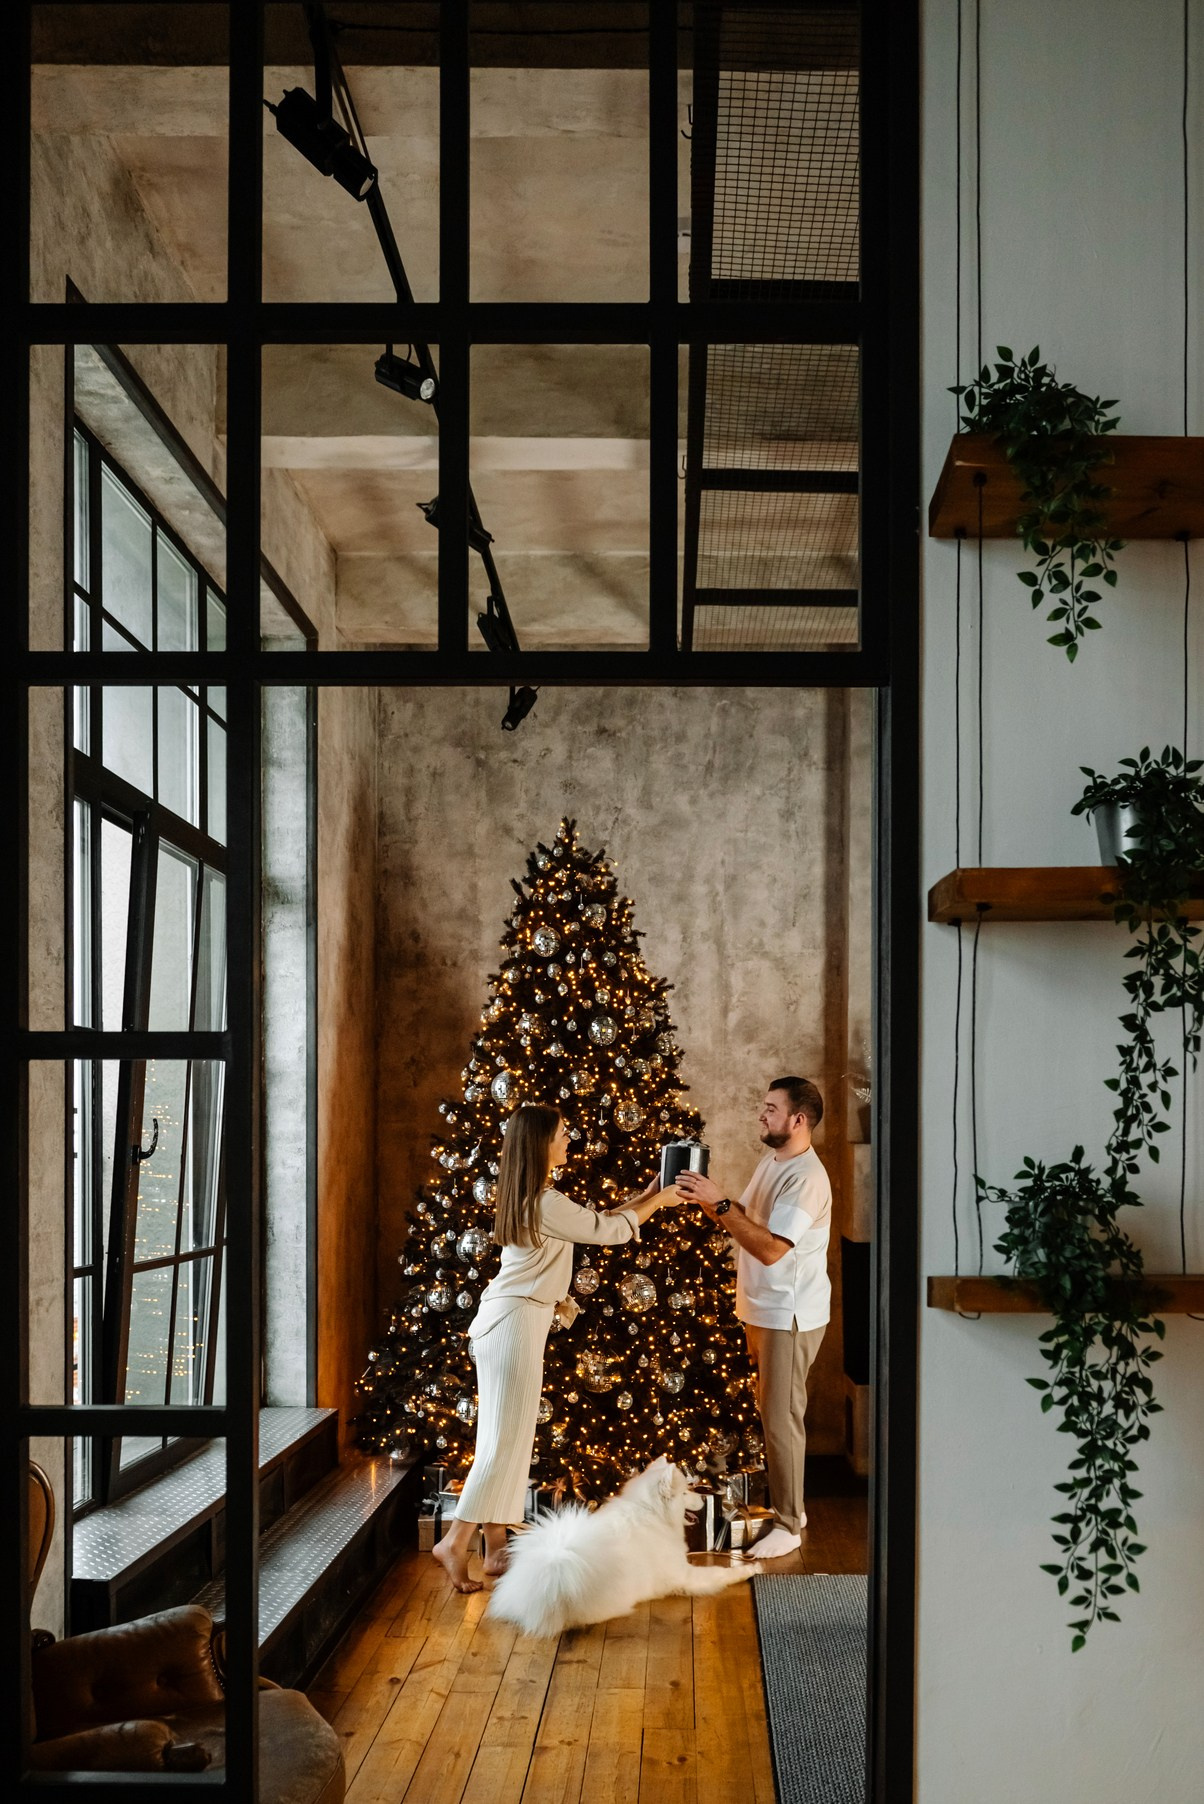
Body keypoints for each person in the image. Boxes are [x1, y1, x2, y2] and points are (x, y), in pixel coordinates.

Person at [432, 1102, 675, 1592]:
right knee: (503, 1441)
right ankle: (455, 1541)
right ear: (541, 1144)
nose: (570, 1140)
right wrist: (662, 1202)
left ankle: (497, 1547)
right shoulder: (543, 1202)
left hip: (515, 1321)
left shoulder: (539, 1198)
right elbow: (606, 1232)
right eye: (563, 1134)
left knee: (508, 1437)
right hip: (515, 1324)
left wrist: (646, 1196)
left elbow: (595, 1219)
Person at [675, 1076, 831, 1561]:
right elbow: (750, 1218)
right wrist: (709, 1200)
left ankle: (788, 1522)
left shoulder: (806, 1178)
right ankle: (792, 1511)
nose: (761, 1114)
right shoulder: (774, 1160)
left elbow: (769, 1248)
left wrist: (719, 1203)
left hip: (789, 1314)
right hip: (762, 1309)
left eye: (770, 1108)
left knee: (781, 1417)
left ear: (797, 1119)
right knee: (775, 1412)